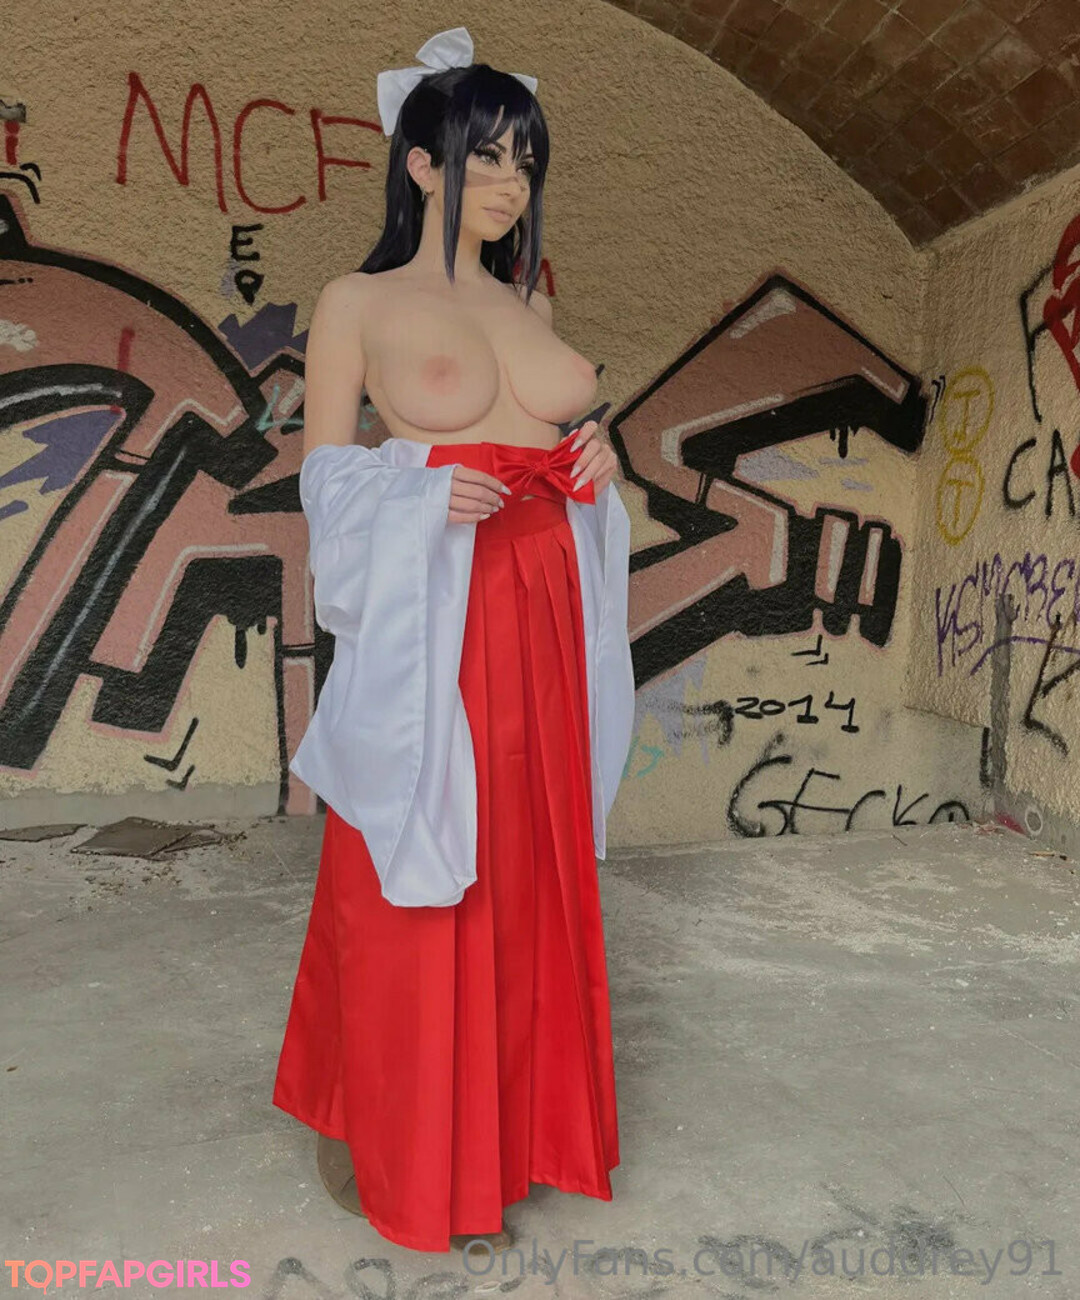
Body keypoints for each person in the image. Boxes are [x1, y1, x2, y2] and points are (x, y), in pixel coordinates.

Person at [272, 26, 636, 1256]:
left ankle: (515, 1135)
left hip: (545, 612)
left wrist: (600, 464)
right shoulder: (356, 302)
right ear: (421, 164)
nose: (508, 183)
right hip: (439, 615)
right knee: (418, 875)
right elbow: (324, 480)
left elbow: (561, 443)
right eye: (485, 156)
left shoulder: (534, 301)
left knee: (529, 875)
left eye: (525, 162)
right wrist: (418, 490)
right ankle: (396, 1134)